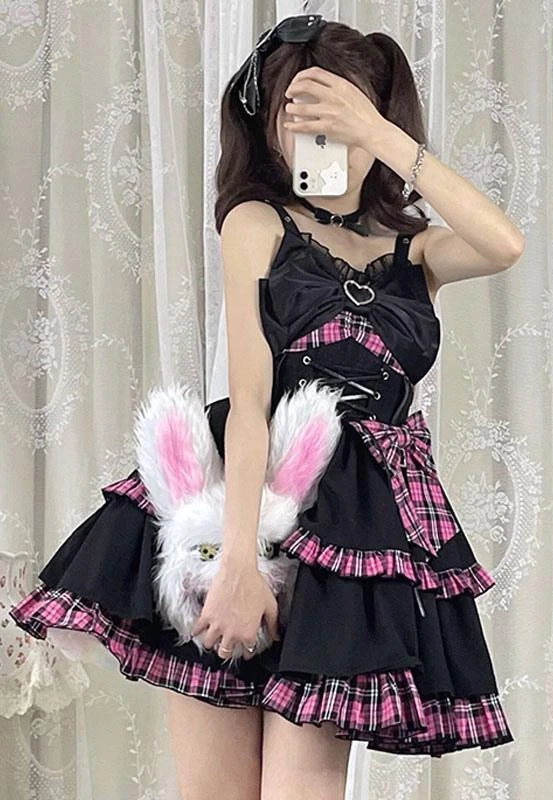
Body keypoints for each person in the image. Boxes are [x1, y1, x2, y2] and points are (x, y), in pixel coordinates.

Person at [9, 14, 524, 800]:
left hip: (356, 535)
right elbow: (250, 401)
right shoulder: (257, 223)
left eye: (341, 117)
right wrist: (239, 563)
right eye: (299, 118)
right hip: (243, 500)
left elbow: (504, 243)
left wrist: (379, 133)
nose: (324, 139)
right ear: (268, 129)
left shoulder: (415, 252)